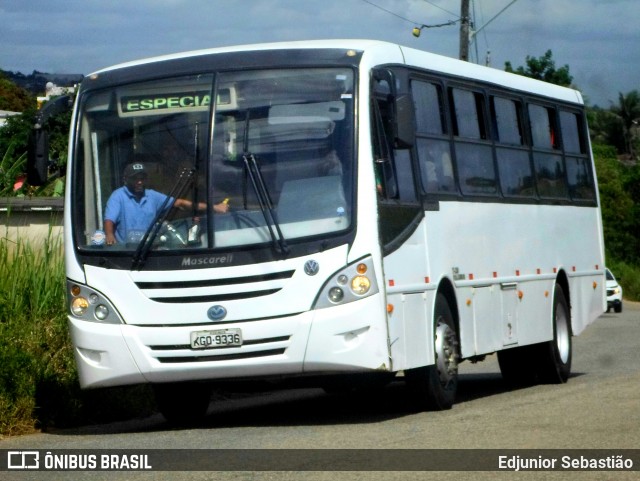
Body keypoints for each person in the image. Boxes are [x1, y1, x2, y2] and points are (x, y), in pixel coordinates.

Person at [104, 162, 228, 246]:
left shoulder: (152, 195)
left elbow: (180, 203)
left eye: (142, 178)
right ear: (125, 179)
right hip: (126, 250)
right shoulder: (118, 196)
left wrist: (214, 207)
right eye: (135, 179)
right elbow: (109, 220)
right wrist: (109, 235)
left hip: (148, 249)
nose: (139, 182)